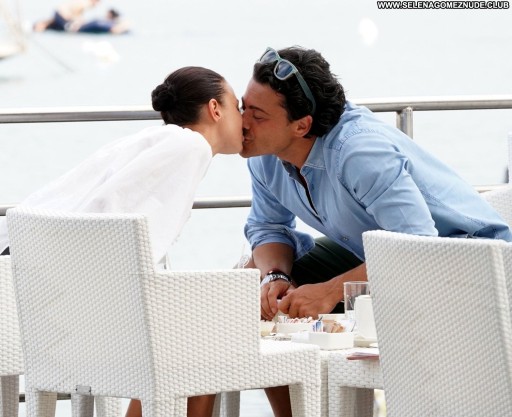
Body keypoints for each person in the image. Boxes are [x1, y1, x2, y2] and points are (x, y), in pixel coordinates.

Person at [239, 45, 512, 417]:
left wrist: (331, 291)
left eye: (257, 115)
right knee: (256, 294)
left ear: (301, 125)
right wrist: (275, 276)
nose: (242, 122)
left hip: (470, 265)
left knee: (316, 290)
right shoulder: (266, 155)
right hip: (387, 256)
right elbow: (269, 226)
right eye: (243, 107)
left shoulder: (359, 151)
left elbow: (418, 244)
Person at [0, 65, 243, 417]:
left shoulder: (159, 140)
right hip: (61, 298)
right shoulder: (188, 147)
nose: (243, 118)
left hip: (34, 283)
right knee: (207, 346)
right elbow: (109, 218)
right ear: (215, 109)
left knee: (195, 341)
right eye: (237, 106)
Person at [33, 0, 101, 32]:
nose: (98, 4)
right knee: (67, 28)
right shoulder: (87, 3)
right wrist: (78, 20)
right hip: (62, 14)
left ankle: (41, 25)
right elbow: (76, 10)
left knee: (59, 27)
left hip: (59, 13)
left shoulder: (86, 2)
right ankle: (40, 25)